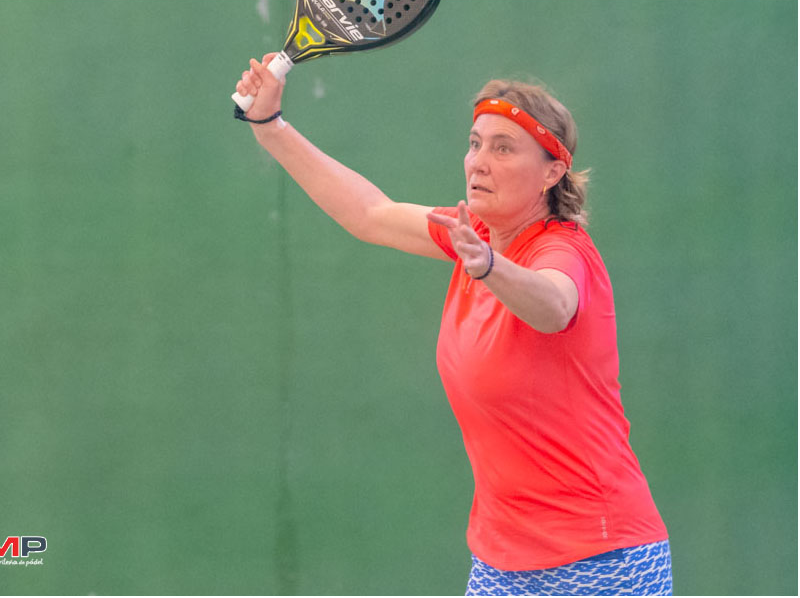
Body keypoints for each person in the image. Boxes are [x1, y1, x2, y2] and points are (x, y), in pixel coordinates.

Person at [234, 53, 673, 596]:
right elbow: (369, 213)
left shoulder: (562, 250)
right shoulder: (474, 236)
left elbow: (555, 305)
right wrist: (268, 125)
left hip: (600, 558)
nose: (478, 162)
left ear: (552, 172)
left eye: (503, 148)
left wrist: (489, 267)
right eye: (475, 143)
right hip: (500, 560)